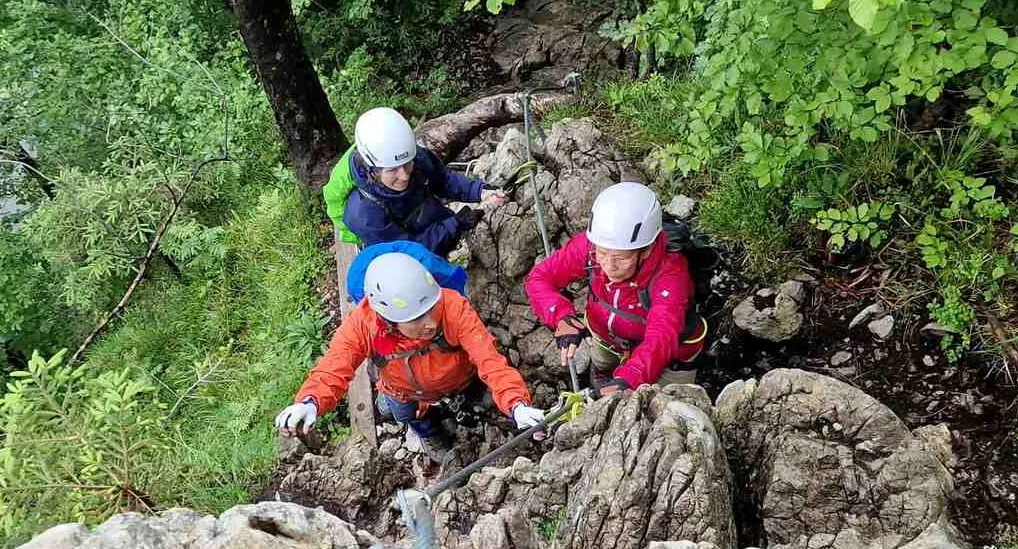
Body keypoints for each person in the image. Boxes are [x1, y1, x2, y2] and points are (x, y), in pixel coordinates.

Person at [275, 252, 545, 460]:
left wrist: (516, 405)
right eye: (416, 319)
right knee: (403, 414)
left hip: (460, 379)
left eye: (431, 308)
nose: (430, 322)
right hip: (404, 390)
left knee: (481, 399)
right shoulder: (363, 326)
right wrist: (310, 402)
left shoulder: (452, 307)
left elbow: (490, 360)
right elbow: (335, 365)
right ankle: (429, 432)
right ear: (388, 319)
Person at [523, 182, 708, 394]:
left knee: (669, 406)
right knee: (602, 363)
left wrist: (629, 379)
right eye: (602, 253)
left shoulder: (671, 276)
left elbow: (661, 336)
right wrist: (560, 317)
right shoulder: (592, 246)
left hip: (669, 358)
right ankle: (602, 375)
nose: (608, 265)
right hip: (606, 337)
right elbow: (539, 278)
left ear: (646, 250)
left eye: (621, 257)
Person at [323, 107, 506, 257]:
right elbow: (408, 252)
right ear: (372, 170)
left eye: (406, 164)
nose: (404, 176)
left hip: (430, 220)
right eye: (392, 170)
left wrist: (480, 191)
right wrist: (455, 224)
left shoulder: (414, 157)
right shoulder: (364, 215)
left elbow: (443, 180)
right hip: (404, 256)